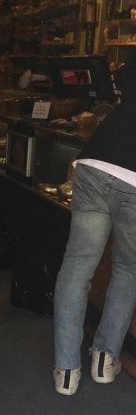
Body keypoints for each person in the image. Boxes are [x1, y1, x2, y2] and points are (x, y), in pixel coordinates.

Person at [53, 55, 136, 395]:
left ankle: (65, 371)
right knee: (128, 268)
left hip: (95, 161)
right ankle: (104, 358)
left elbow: (119, 79)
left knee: (77, 267)